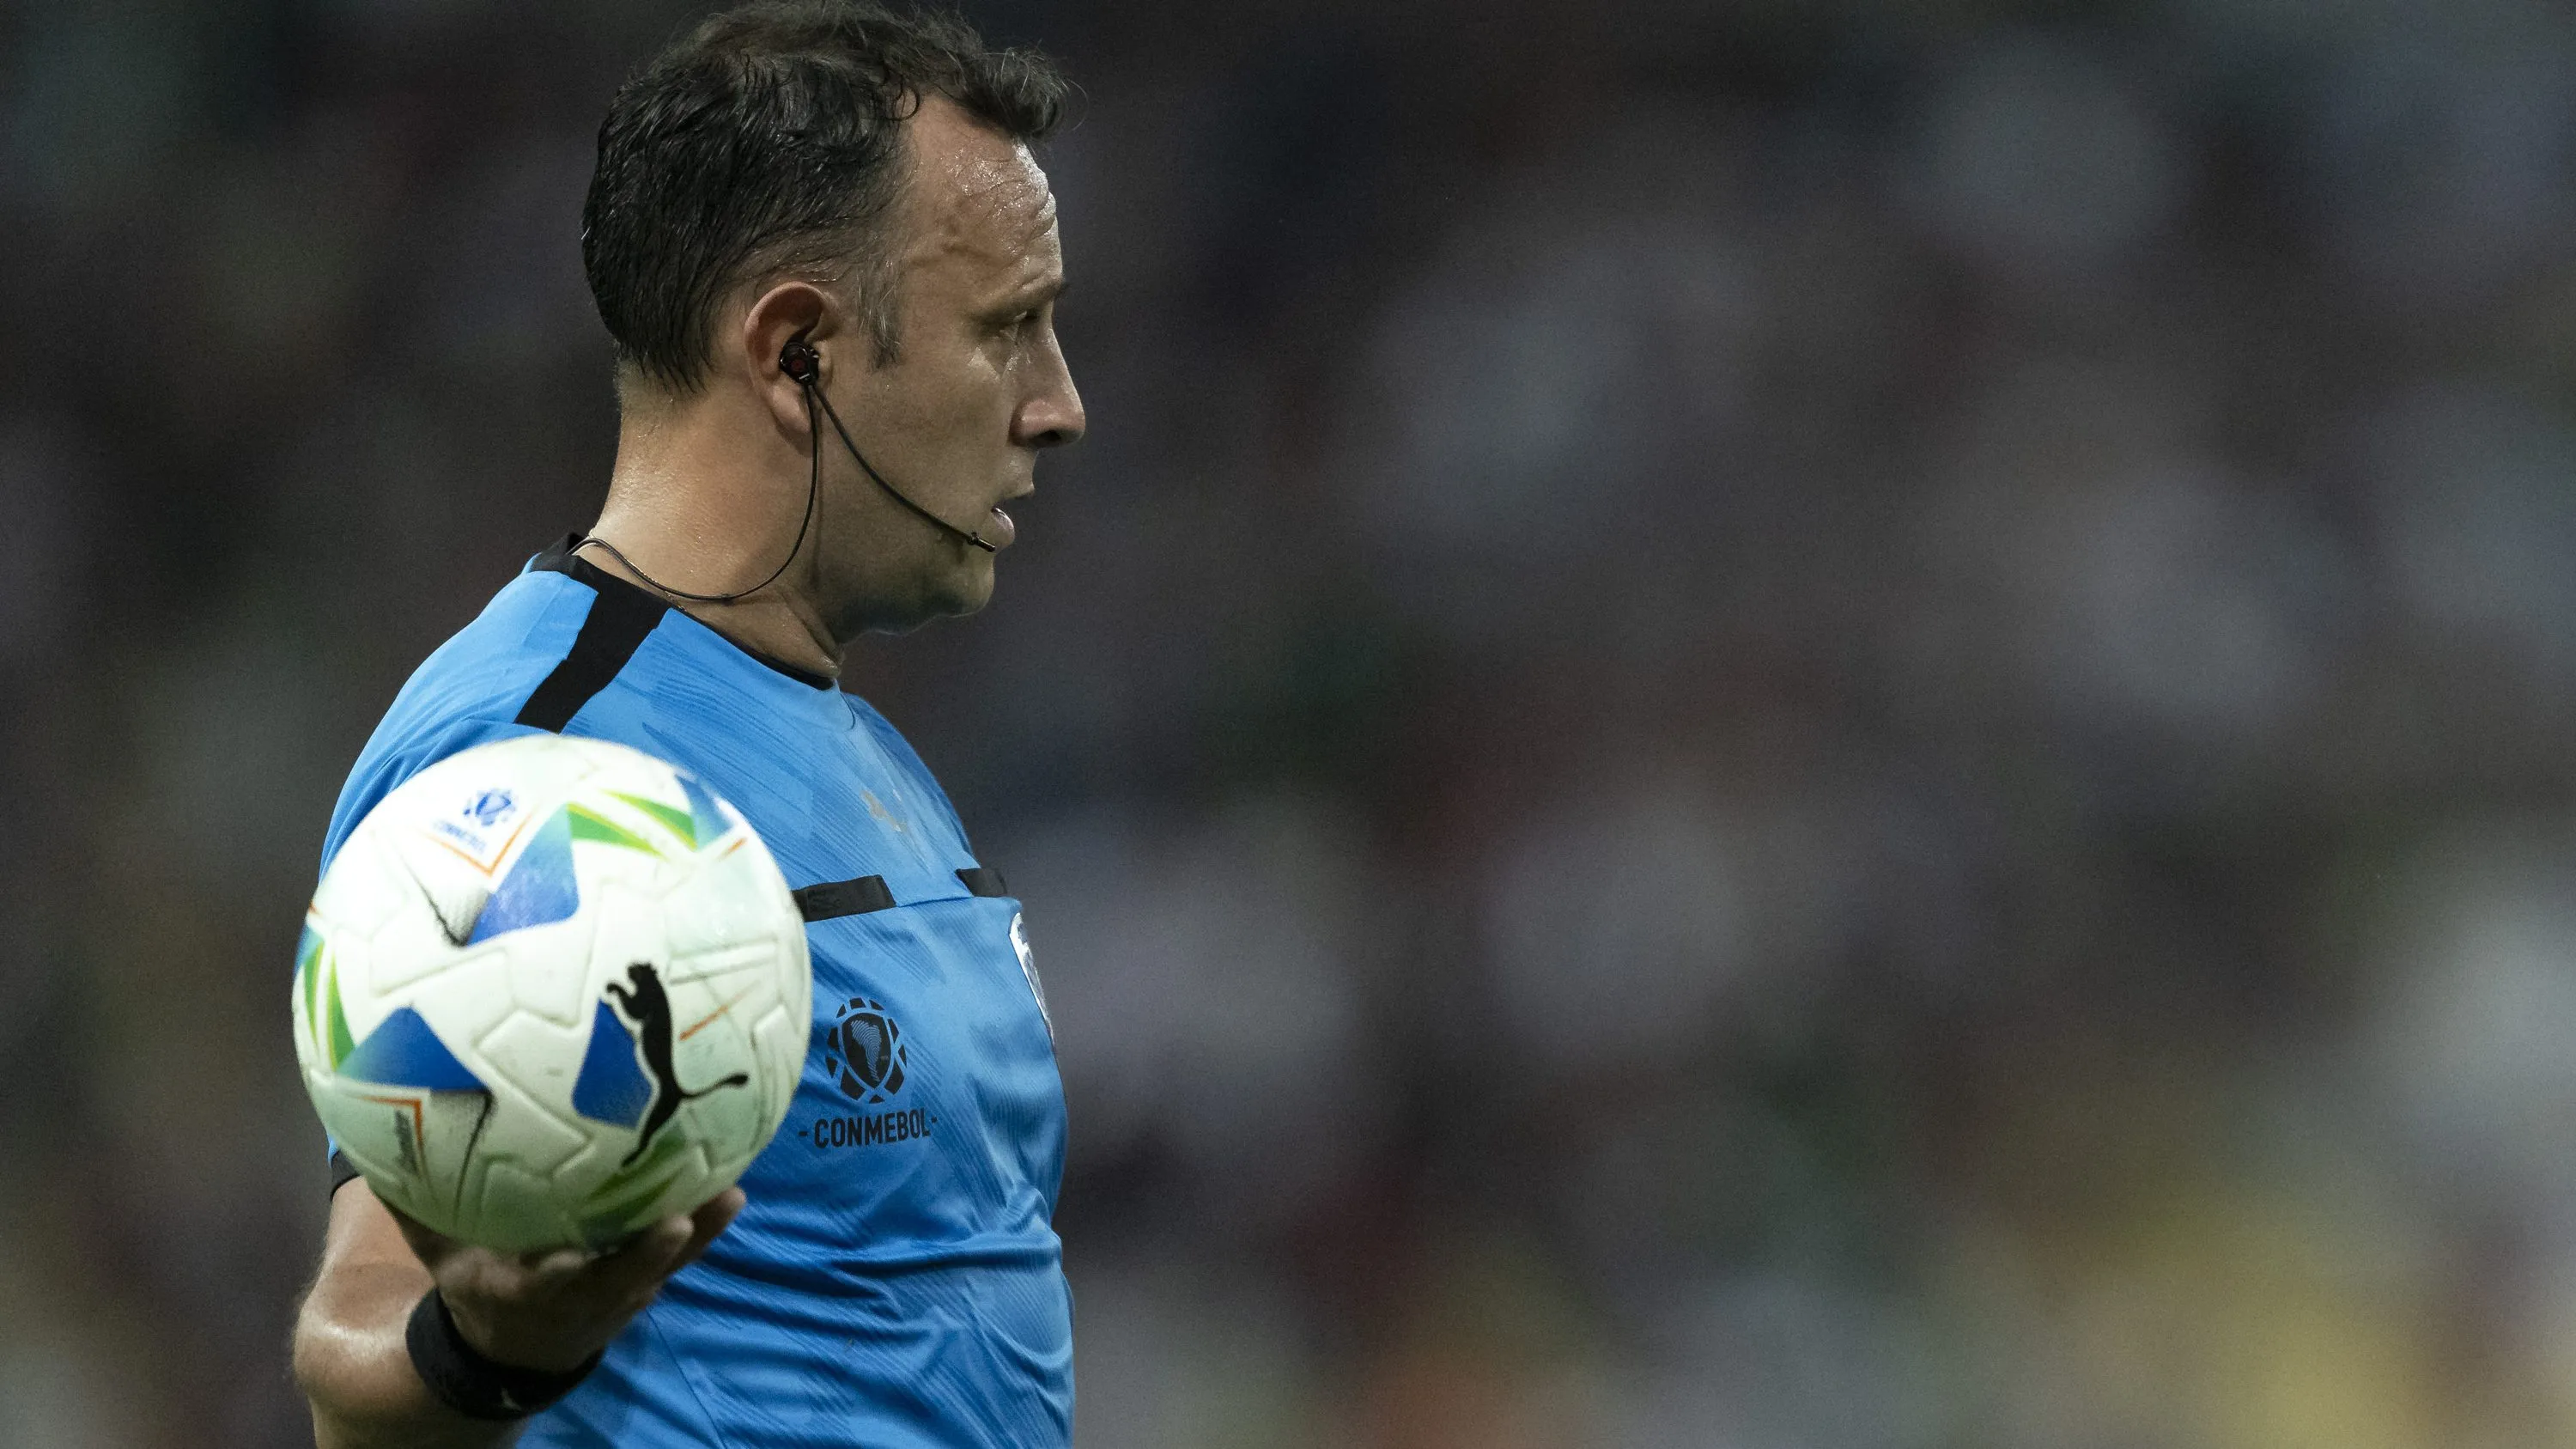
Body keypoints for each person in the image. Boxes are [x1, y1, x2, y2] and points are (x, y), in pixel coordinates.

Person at [289, 3, 1084, 1445]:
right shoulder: (537, 777)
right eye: (1007, 329)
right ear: (797, 351)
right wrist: (486, 1347)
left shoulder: (852, 741)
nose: (1058, 406)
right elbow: (359, 1344)